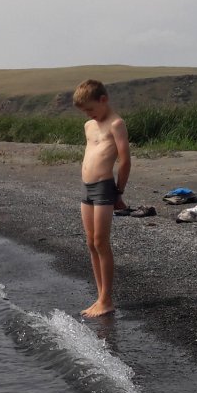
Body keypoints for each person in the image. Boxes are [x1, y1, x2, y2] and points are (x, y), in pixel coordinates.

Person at [73, 79, 131, 319]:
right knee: (90, 243)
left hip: (105, 188)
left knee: (101, 242)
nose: (89, 114)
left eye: (91, 109)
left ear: (103, 100)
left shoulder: (116, 124)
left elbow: (125, 160)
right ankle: (100, 296)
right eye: (85, 111)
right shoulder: (89, 126)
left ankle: (107, 300)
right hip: (87, 188)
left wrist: (119, 192)